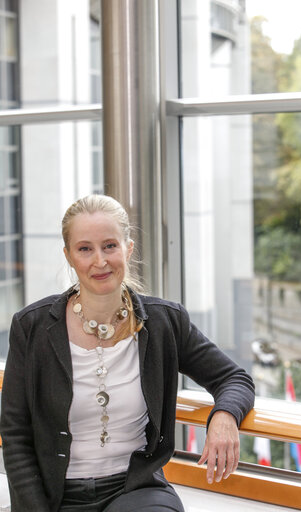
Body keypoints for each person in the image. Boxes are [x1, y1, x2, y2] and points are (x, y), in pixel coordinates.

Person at [0, 194, 255, 512]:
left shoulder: (164, 322)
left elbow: (234, 377)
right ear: (68, 256)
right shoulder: (32, 327)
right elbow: (15, 433)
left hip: (134, 491)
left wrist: (224, 416)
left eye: (110, 246)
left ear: (128, 248)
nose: (100, 261)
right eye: (85, 249)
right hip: (54, 497)